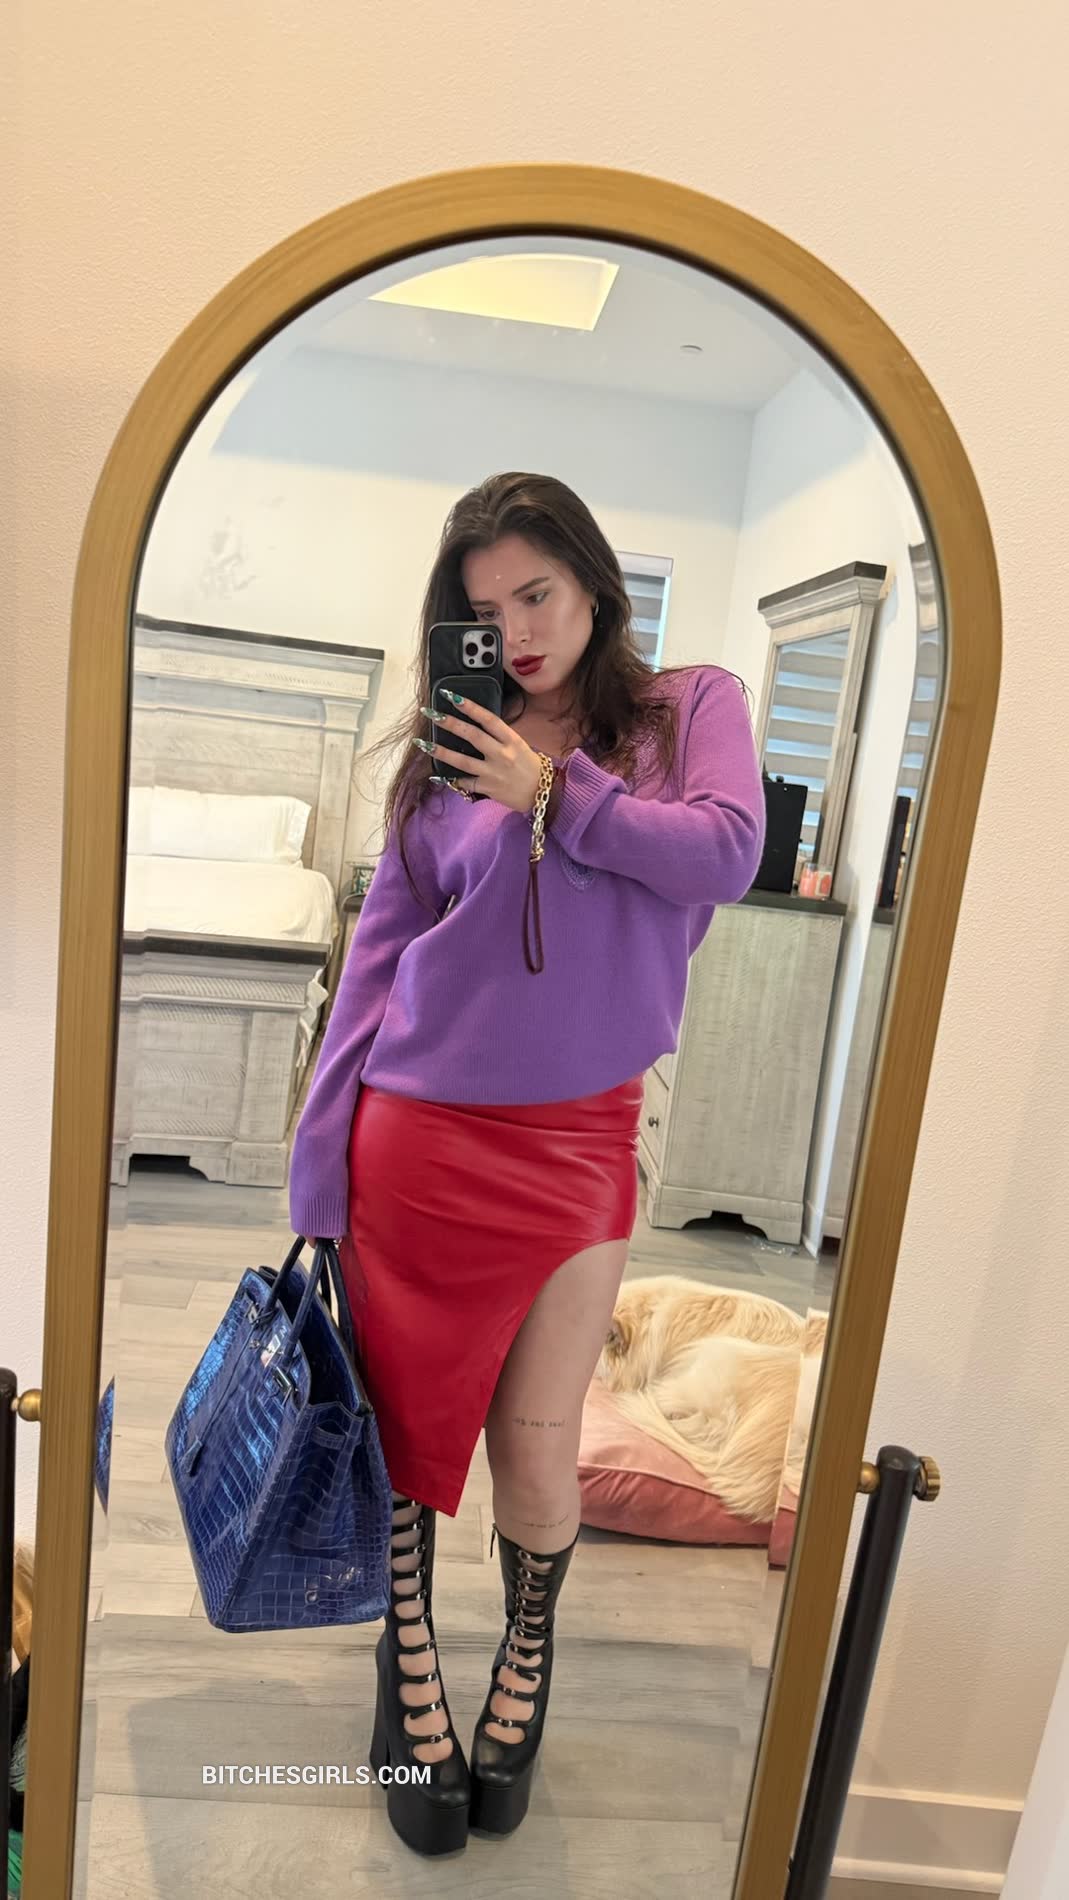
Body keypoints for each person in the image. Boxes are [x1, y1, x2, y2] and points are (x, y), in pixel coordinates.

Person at [288, 471, 766, 1856]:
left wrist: (555, 789)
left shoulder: (685, 710)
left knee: (539, 1445)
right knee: (405, 1437)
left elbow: (725, 855)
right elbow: (379, 960)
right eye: (485, 609)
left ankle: (526, 1650)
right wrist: (320, 1167)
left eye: (537, 594)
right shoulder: (446, 748)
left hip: (579, 1142)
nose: (518, 631)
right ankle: (408, 1661)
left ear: (594, 584)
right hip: (416, 1135)